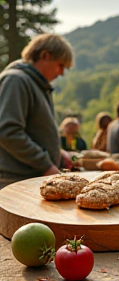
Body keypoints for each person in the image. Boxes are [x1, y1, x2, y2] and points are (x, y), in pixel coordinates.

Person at [0, 33, 74, 189]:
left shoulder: (37, 85)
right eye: (60, 65)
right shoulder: (16, 80)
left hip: (29, 178)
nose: (61, 73)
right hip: (16, 182)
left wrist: (57, 154)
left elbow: (35, 131)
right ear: (45, 55)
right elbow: (7, 131)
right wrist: (45, 164)